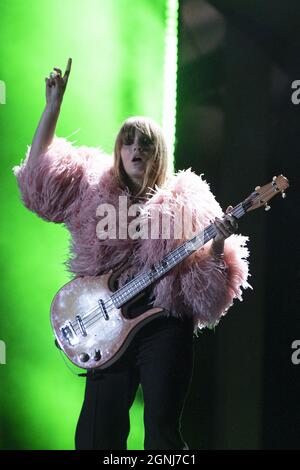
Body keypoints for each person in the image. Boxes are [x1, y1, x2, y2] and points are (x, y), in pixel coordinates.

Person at [13, 58, 250, 450]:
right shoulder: (92, 188)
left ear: (159, 153)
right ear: (118, 150)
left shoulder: (187, 203)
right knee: (95, 436)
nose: (136, 148)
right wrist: (52, 107)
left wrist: (221, 243)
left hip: (164, 326)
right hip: (106, 326)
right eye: (129, 141)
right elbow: (37, 182)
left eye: (145, 142)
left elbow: (208, 291)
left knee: (161, 435)